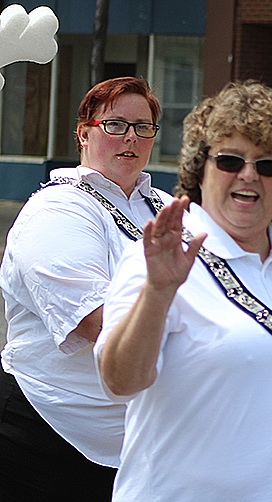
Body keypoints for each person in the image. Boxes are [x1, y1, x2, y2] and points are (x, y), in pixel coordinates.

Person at [93, 82, 272, 499]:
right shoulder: (160, 260)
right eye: (229, 160)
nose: (248, 174)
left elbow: (263, 387)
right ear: (200, 170)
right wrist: (158, 291)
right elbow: (120, 380)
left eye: (269, 165)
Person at [1, 77, 169, 498]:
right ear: (83, 133)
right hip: (47, 435)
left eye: (143, 126)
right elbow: (100, 321)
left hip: (139, 447)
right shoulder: (58, 208)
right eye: (115, 125)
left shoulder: (164, 206)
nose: (130, 136)